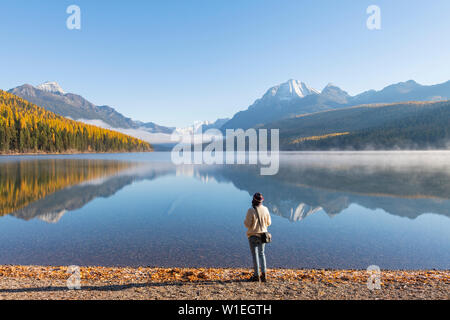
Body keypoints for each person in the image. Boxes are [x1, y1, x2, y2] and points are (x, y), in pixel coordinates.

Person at [244, 192, 272, 282]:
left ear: (253, 200)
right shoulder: (266, 209)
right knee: (262, 254)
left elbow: (247, 224)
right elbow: (269, 223)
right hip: (263, 235)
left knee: (255, 255)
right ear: (261, 201)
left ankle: (256, 276)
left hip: (253, 235)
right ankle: (264, 275)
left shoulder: (250, 210)